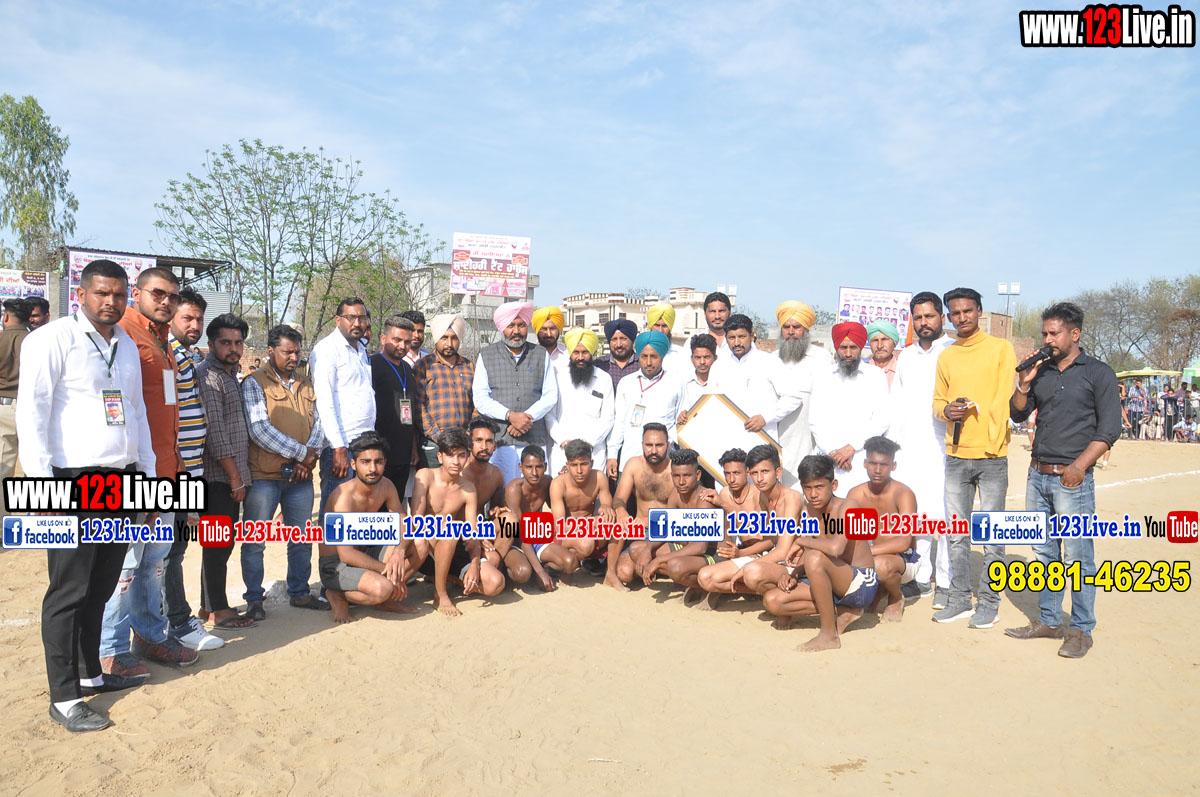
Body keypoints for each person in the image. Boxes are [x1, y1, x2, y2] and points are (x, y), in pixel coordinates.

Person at [17, 259, 156, 732]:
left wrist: (147, 478)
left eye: (119, 294)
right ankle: (63, 698)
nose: (111, 302)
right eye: (102, 293)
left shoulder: (126, 346)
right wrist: (43, 489)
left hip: (121, 480)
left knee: (101, 585)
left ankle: (89, 673)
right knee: (69, 591)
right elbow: (32, 414)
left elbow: (136, 412)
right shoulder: (50, 340)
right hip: (71, 481)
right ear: (80, 294)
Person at [1006, 302, 1122, 658]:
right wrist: (1024, 383)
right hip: (1037, 476)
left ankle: (1081, 629)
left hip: (1073, 480)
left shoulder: (1098, 373)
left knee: (1078, 556)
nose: (1047, 339)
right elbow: (1018, 413)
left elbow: (1110, 430)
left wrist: (1079, 467)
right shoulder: (1041, 372)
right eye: (1044, 333)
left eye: (1053, 333)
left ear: (1075, 334)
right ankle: (1049, 620)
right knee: (1044, 553)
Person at [100, 267, 196, 675]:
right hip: (137, 475)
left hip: (167, 471)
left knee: (153, 563)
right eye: (158, 293)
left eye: (172, 296)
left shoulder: (162, 340)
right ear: (137, 293)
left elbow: (163, 410)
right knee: (124, 567)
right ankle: (108, 649)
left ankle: (150, 636)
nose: (166, 301)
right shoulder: (122, 335)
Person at [932, 287, 1017, 628]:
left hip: (992, 456)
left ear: (980, 311)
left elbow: (1002, 398)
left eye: (967, 311)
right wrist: (947, 411)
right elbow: (938, 402)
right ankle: (958, 598)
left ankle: (989, 603)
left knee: (993, 536)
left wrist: (992, 442)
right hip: (956, 456)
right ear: (948, 317)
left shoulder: (1001, 348)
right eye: (955, 313)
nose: (962, 317)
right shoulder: (947, 356)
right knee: (957, 534)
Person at [241, 324, 327, 615]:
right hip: (264, 477)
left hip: (300, 477)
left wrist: (306, 459)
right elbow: (259, 430)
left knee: (301, 538)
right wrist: (302, 454)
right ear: (270, 351)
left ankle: (300, 593)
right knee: (255, 541)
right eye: (287, 352)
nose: (293, 357)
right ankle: (254, 600)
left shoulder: (306, 383)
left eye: (297, 352)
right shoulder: (254, 383)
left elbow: (319, 424)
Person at [762, 455, 874, 652]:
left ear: (834, 485)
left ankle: (829, 635)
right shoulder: (809, 510)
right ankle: (845, 610)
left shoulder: (848, 506)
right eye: (808, 488)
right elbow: (811, 551)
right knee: (772, 601)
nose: (813, 494)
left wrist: (800, 541)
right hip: (831, 580)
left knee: (814, 557)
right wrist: (794, 574)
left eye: (819, 487)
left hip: (860, 583)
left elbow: (836, 548)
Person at [162, 289, 223, 651]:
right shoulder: (167, 354)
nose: (195, 325)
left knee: (175, 548)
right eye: (187, 318)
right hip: (175, 472)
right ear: (171, 317)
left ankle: (169, 620)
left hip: (191, 469)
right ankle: (177, 623)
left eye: (199, 319)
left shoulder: (184, 355)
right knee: (168, 552)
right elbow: (166, 417)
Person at [889, 291, 955, 606]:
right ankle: (920, 577)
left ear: (941, 317)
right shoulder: (906, 356)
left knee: (944, 514)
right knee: (916, 515)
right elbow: (897, 404)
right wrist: (893, 447)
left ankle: (946, 581)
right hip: (909, 447)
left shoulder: (954, 350)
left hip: (944, 446)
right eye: (918, 318)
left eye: (929, 316)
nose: (924, 322)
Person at [196, 313, 257, 629]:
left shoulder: (231, 374)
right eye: (226, 342)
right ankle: (218, 610)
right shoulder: (208, 376)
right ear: (211, 344)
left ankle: (208, 606)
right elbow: (216, 434)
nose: (233, 348)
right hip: (217, 477)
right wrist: (235, 478)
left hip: (231, 475)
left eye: (238, 343)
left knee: (220, 543)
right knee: (217, 544)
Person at [319, 432, 417, 623]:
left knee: (420, 543)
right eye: (365, 462)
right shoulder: (343, 498)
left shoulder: (386, 486)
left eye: (378, 462)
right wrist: (388, 571)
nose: (373, 468)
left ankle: (385, 600)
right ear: (354, 464)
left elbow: (404, 524)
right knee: (383, 588)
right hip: (336, 564)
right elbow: (346, 555)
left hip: (366, 552)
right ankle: (337, 595)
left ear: (385, 463)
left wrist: (398, 552)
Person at [412, 427, 504, 616]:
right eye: (450, 455)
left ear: (467, 456)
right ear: (440, 457)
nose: (456, 462)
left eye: (461, 456)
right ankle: (440, 594)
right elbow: (416, 521)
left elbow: (472, 533)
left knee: (496, 583)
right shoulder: (425, 476)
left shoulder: (468, 489)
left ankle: (448, 577)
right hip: (425, 549)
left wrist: (475, 565)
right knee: (449, 531)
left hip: (453, 548)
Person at [472, 301, 558, 483]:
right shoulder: (486, 355)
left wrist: (526, 419)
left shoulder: (540, 354)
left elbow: (551, 395)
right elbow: (480, 398)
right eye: (511, 325)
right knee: (502, 490)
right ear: (502, 327)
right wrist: (510, 416)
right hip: (501, 439)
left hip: (534, 438)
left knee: (533, 492)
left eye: (521, 325)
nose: (516, 331)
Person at [311, 298, 376, 528]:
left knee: (358, 512)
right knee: (335, 512)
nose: (357, 323)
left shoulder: (360, 349)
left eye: (361, 317)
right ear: (338, 320)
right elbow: (325, 402)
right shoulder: (327, 350)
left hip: (364, 443)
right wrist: (338, 447)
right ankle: (329, 554)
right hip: (342, 446)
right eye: (351, 317)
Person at [808, 321, 890, 497]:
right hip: (828, 458)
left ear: (861, 348)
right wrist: (834, 453)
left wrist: (851, 448)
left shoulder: (875, 376)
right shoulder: (823, 376)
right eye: (843, 347)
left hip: (861, 458)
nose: (847, 353)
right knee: (827, 508)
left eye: (853, 347)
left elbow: (881, 419)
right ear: (836, 348)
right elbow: (815, 421)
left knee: (860, 508)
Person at [845, 436, 917, 622]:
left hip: (905, 559)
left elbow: (904, 542)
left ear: (893, 466)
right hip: (871, 556)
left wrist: (868, 552)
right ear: (865, 463)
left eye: (884, 465)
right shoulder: (855, 493)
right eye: (873, 463)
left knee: (880, 565)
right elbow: (850, 533)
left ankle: (895, 597)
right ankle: (878, 590)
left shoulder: (903, 493)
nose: (877, 470)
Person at [730, 445, 804, 616]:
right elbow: (771, 539)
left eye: (765, 472)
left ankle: (785, 604)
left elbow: (784, 550)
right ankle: (772, 594)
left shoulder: (792, 498)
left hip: (796, 563)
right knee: (708, 578)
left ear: (778, 472)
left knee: (750, 572)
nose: (759, 478)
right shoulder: (763, 496)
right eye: (754, 473)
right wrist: (742, 554)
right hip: (777, 558)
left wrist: (747, 565)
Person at [641, 448, 720, 601]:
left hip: (713, 554)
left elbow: (700, 547)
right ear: (672, 476)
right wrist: (647, 550)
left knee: (675, 566)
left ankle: (711, 587)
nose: (681, 481)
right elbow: (664, 531)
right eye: (677, 476)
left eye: (687, 476)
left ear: (697, 475)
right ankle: (692, 583)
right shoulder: (675, 494)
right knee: (637, 550)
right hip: (690, 548)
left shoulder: (704, 499)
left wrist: (658, 560)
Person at [695, 449, 769, 610]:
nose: (731, 479)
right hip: (739, 551)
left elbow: (769, 541)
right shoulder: (725, 493)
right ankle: (750, 590)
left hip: (763, 553)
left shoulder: (759, 496)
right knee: (706, 577)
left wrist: (723, 504)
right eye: (727, 474)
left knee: (709, 578)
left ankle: (765, 590)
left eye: (736, 473)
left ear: (747, 473)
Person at [606, 331, 683, 477]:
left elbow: (681, 422)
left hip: (665, 462)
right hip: (630, 459)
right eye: (644, 356)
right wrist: (612, 455)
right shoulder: (626, 383)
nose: (648, 362)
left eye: (654, 356)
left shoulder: (676, 382)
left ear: (662, 357)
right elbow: (619, 422)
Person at [713, 314, 801, 441]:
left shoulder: (769, 362)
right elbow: (710, 402)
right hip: (727, 440)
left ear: (752, 336)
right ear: (726, 339)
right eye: (732, 338)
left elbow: (793, 397)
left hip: (761, 440)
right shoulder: (718, 367)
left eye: (742, 337)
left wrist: (766, 418)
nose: (737, 343)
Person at [773, 301, 831, 488]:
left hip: (808, 439)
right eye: (786, 327)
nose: (791, 332)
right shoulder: (772, 359)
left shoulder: (822, 358)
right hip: (777, 437)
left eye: (796, 327)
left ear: (806, 330)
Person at [508, 446, 584, 587]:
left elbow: (560, 508)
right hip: (517, 539)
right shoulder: (514, 488)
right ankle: (525, 568)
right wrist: (540, 572)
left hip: (536, 535)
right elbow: (519, 533)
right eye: (529, 467)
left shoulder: (547, 482)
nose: (534, 473)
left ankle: (542, 565)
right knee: (522, 573)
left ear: (545, 466)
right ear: (520, 467)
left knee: (570, 562)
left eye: (539, 467)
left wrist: (567, 479)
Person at [611, 423, 675, 590]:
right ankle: (652, 566)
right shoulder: (634, 465)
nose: (653, 450)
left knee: (679, 564)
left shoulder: (675, 469)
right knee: (624, 572)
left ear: (668, 445)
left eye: (659, 445)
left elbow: (685, 510)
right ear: (642, 445)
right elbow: (618, 498)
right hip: (640, 532)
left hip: (666, 532)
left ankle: (655, 565)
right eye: (649, 445)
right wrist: (621, 510)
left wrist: (653, 520)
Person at [545, 327, 615, 474]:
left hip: (593, 451)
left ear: (592, 353)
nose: (580, 357)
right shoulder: (558, 377)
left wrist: (587, 443)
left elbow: (608, 418)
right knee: (560, 487)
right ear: (570, 353)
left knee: (594, 488)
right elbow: (549, 415)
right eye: (576, 352)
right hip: (562, 450)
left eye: (585, 352)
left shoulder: (604, 379)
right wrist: (563, 441)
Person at [412, 313, 474, 468]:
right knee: (432, 483)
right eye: (444, 338)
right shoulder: (424, 366)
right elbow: (418, 407)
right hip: (434, 444)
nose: (449, 343)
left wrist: (467, 434)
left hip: (464, 444)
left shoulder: (469, 366)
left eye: (454, 338)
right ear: (436, 338)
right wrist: (440, 437)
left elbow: (477, 404)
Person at [372, 316, 422, 497]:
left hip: (403, 451)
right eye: (397, 340)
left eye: (407, 342)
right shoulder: (371, 366)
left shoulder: (408, 369)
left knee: (396, 501)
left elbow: (411, 411)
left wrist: (413, 447)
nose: (402, 346)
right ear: (383, 338)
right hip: (378, 451)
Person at [0, 298, 31, 514]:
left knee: (3, 468)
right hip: (33, 408)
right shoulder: (35, 341)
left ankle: (3, 522)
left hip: (5, 407)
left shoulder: (1, 340)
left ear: (7, 316)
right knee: (37, 469)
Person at [677, 333, 721, 424]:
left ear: (715, 358)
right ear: (692, 359)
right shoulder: (684, 383)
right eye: (697, 357)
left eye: (707, 357)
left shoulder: (722, 383)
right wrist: (681, 415)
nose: (702, 362)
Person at [592, 318, 640, 391]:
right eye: (614, 339)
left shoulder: (642, 364)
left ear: (632, 340)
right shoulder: (599, 365)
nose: (618, 344)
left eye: (623, 339)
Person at [684, 291, 733, 359]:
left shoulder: (739, 341)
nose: (717, 316)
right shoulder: (692, 342)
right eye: (712, 311)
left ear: (729, 313)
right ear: (705, 314)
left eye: (721, 311)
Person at [646, 301, 688, 372]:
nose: (660, 330)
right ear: (651, 327)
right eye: (657, 325)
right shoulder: (641, 353)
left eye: (664, 326)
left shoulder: (682, 354)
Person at [532, 305, 568, 374]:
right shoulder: (528, 355)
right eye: (544, 329)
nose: (548, 334)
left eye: (552, 329)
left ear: (558, 330)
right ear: (537, 330)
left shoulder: (567, 356)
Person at [866, 319, 900, 389]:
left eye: (884, 340)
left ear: (894, 343)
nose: (879, 346)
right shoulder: (861, 371)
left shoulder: (903, 371)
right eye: (875, 340)